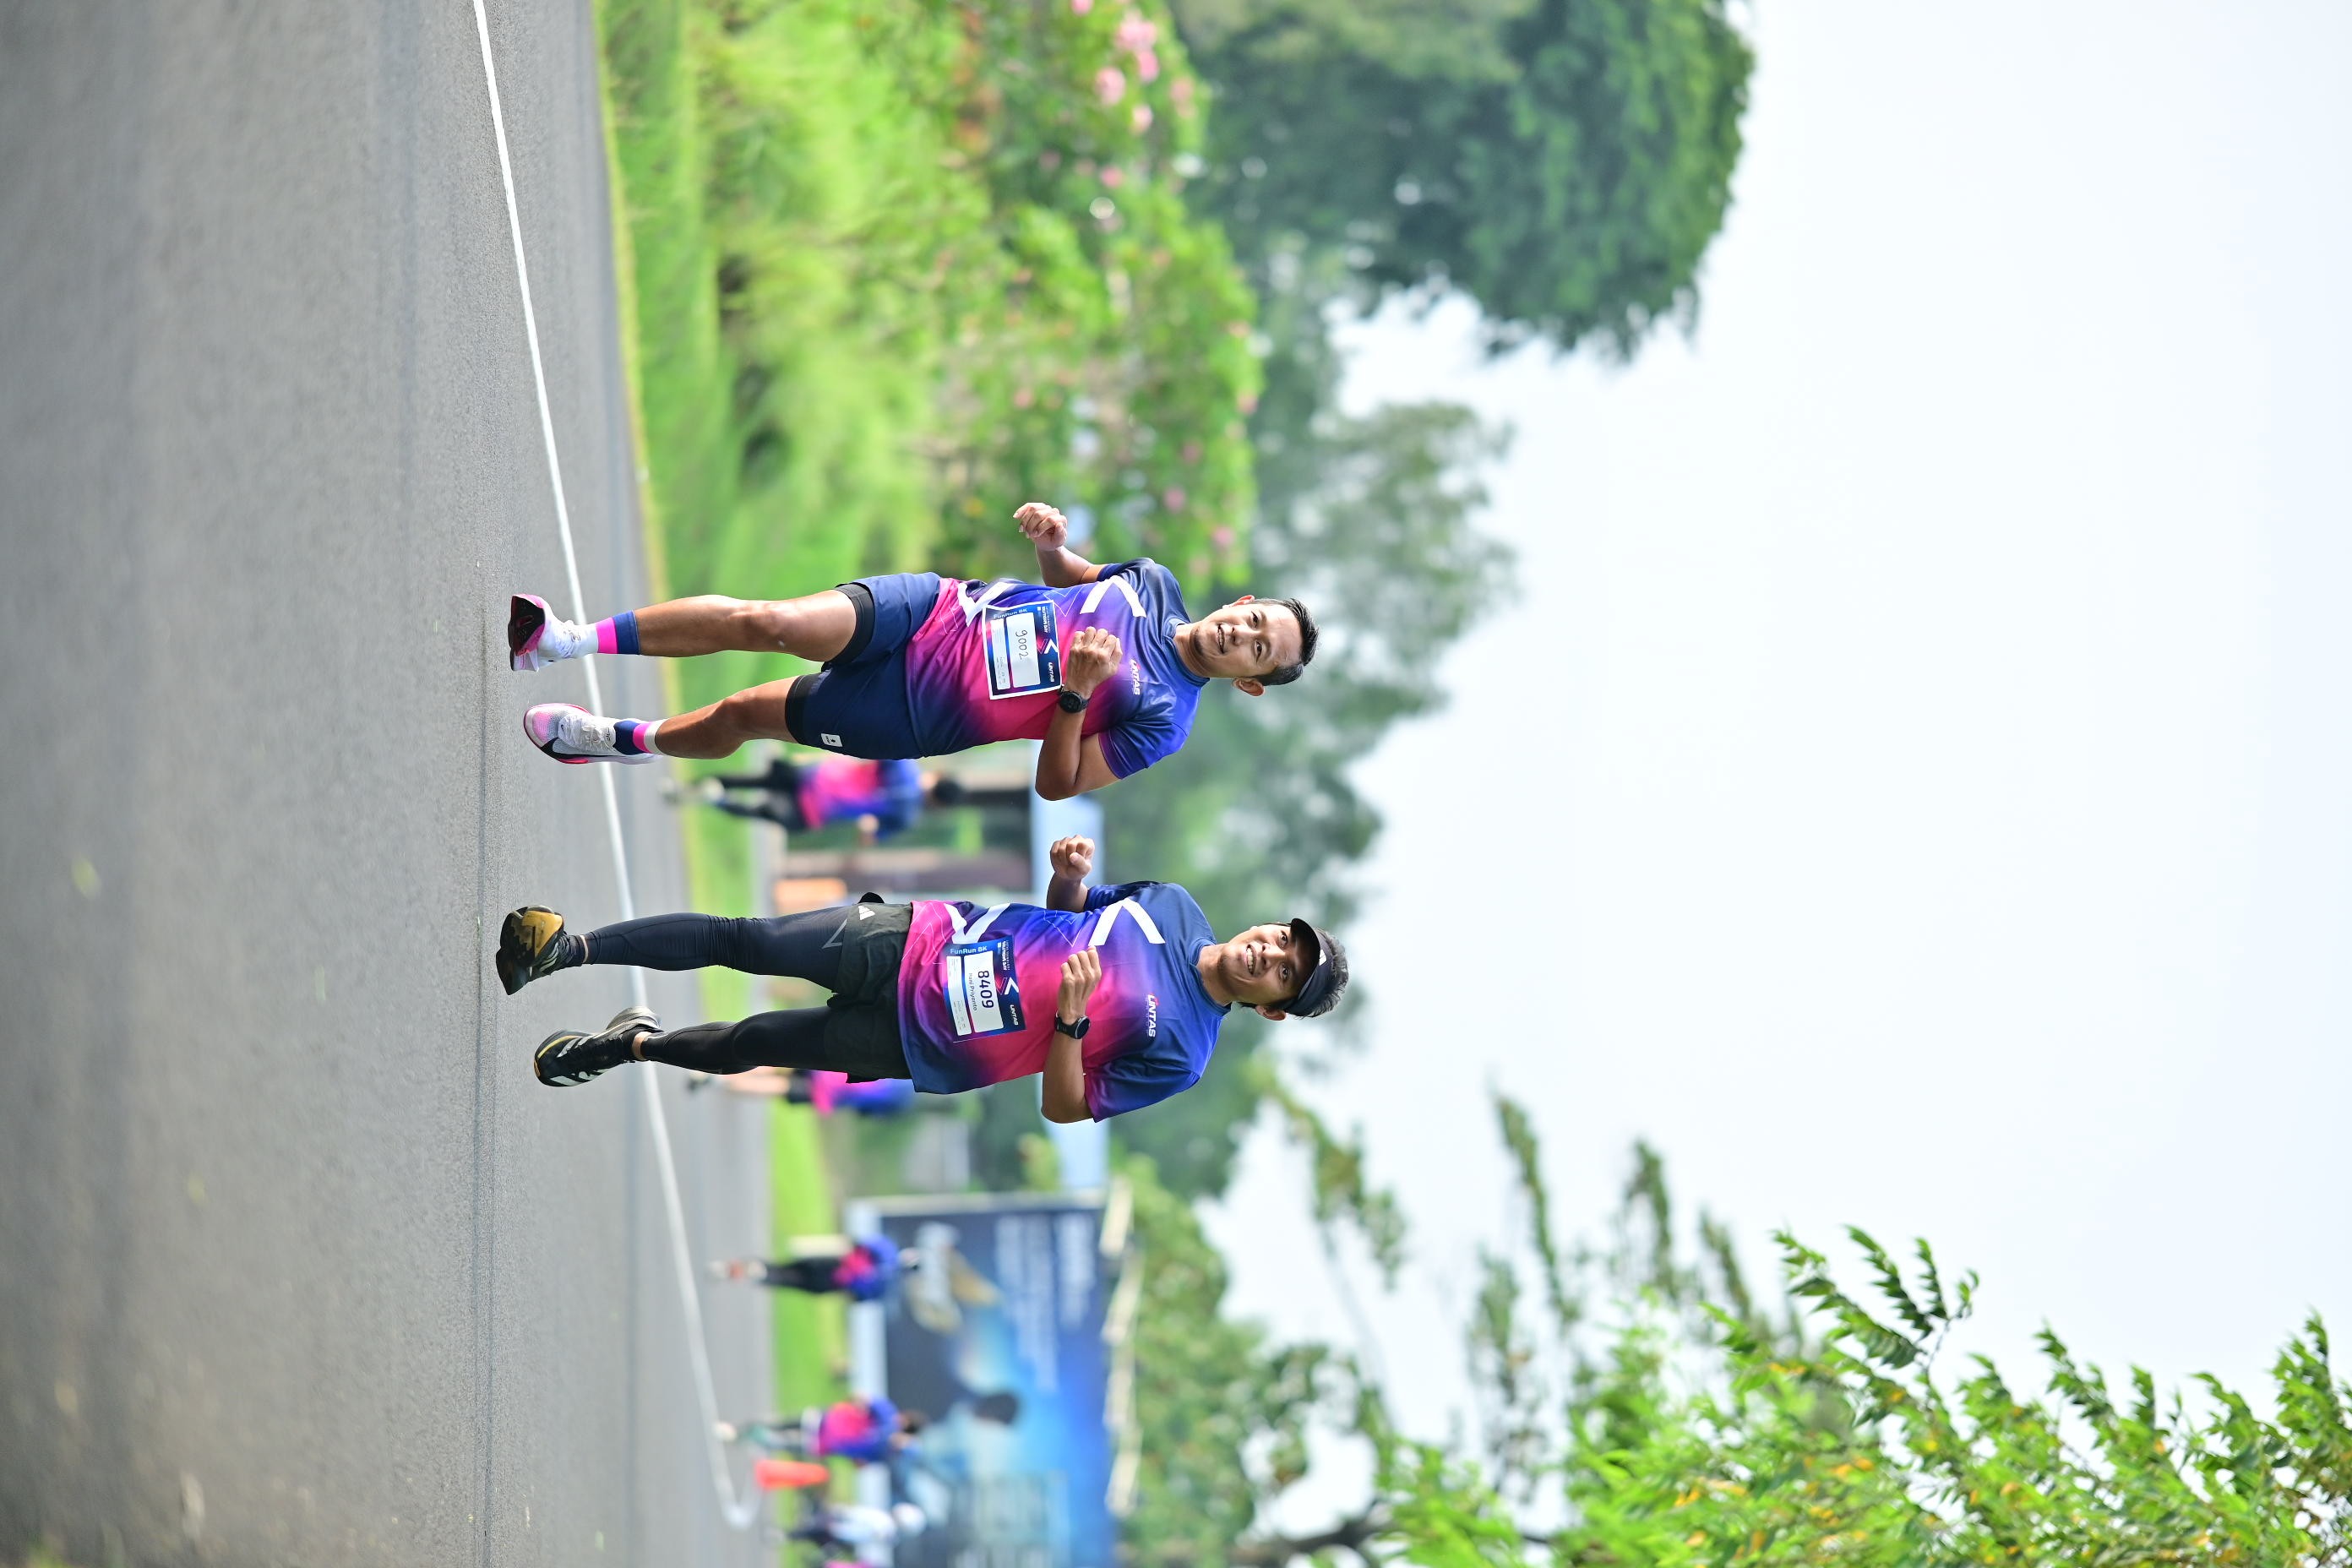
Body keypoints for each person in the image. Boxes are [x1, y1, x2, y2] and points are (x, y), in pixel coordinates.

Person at [498, 836, 1348, 1122]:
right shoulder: (1173, 904)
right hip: (925, 940)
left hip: (925, 1043)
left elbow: (1064, 1106)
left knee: (751, 1042)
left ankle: (633, 1046)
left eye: (1286, 973)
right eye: (1284, 940)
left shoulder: (1184, 1053)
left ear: (1274, 1008)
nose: (1270, 954)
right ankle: (566, 949)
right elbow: (1072, 918)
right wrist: (1069, 878)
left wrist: (1071, 1022)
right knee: (746, 940)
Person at [507, 501, 1318, 798]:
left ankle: (617, 740)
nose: (1242, 637)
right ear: (1241, 602)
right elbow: (1070, 581)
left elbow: (1058, 784)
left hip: (915, 713)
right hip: (935, 614)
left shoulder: (1165, 719)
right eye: (1254, 622)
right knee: (770, 621)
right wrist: (1050, 544)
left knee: (744, 714)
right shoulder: (1153, 581)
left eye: (1258, 653)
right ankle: (565, 639)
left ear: (1251, 683)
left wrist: (1074, 694)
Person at [676, 754, 966, 844]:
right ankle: (716, 800)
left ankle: (694, 787)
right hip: (816, 810)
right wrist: (868, 822)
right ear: (939, 805)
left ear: (938, 775)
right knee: (758, 811)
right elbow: (868, 836)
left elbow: (869, 748)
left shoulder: (903, 763)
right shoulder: (907, 817)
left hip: (818, 777)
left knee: (757, 780)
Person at [719, 1397, 926, 1466]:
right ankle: (741, 1436)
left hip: (825, 1426)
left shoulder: (887, 1417)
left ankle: (740, 1433)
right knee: (779, 1437)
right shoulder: (885, 1452)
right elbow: (859, 1464)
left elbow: (862, 1398)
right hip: (824, 1439)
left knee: (779, 1428)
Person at [710, 1233, 919, 1301]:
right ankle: (743, 1272)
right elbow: (858, 1299)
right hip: (832, 1284)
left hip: (833, 1264)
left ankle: (736, 1270)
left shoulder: (888, 1250)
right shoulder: (888, 1285)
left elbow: (861, 1242)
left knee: (781, 1269)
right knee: (784, 1279)